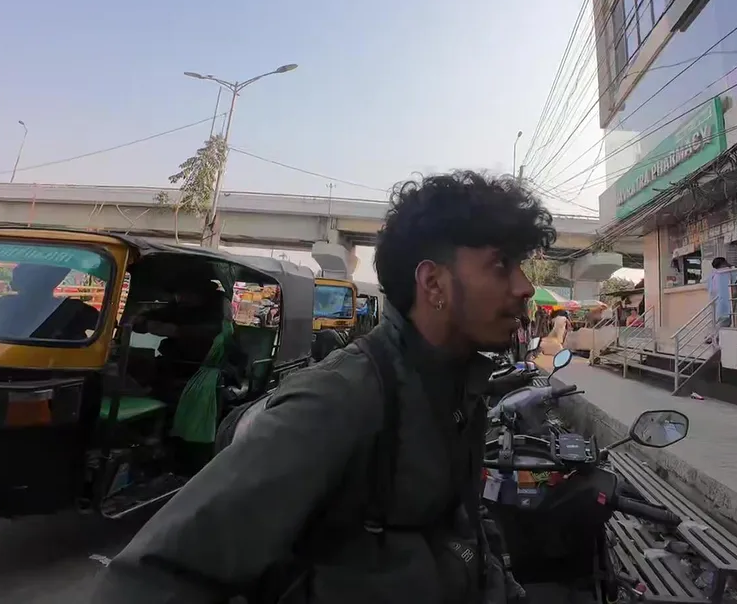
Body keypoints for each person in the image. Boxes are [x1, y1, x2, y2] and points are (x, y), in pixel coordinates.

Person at [91, 170, 555, 604]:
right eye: (501, 266)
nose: (524, 288)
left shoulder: (458, 387)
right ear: (433, 282)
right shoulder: (342, 399)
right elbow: (151, 575)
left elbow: (463, 522)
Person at [705, 256, 737, 346]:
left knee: (716, 321)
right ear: (723, 263)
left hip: (714, 301)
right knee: (724, 321)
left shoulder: (713, 275)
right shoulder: (727, 271)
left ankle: (711, 336)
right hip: (724, 302)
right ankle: (714, 338)